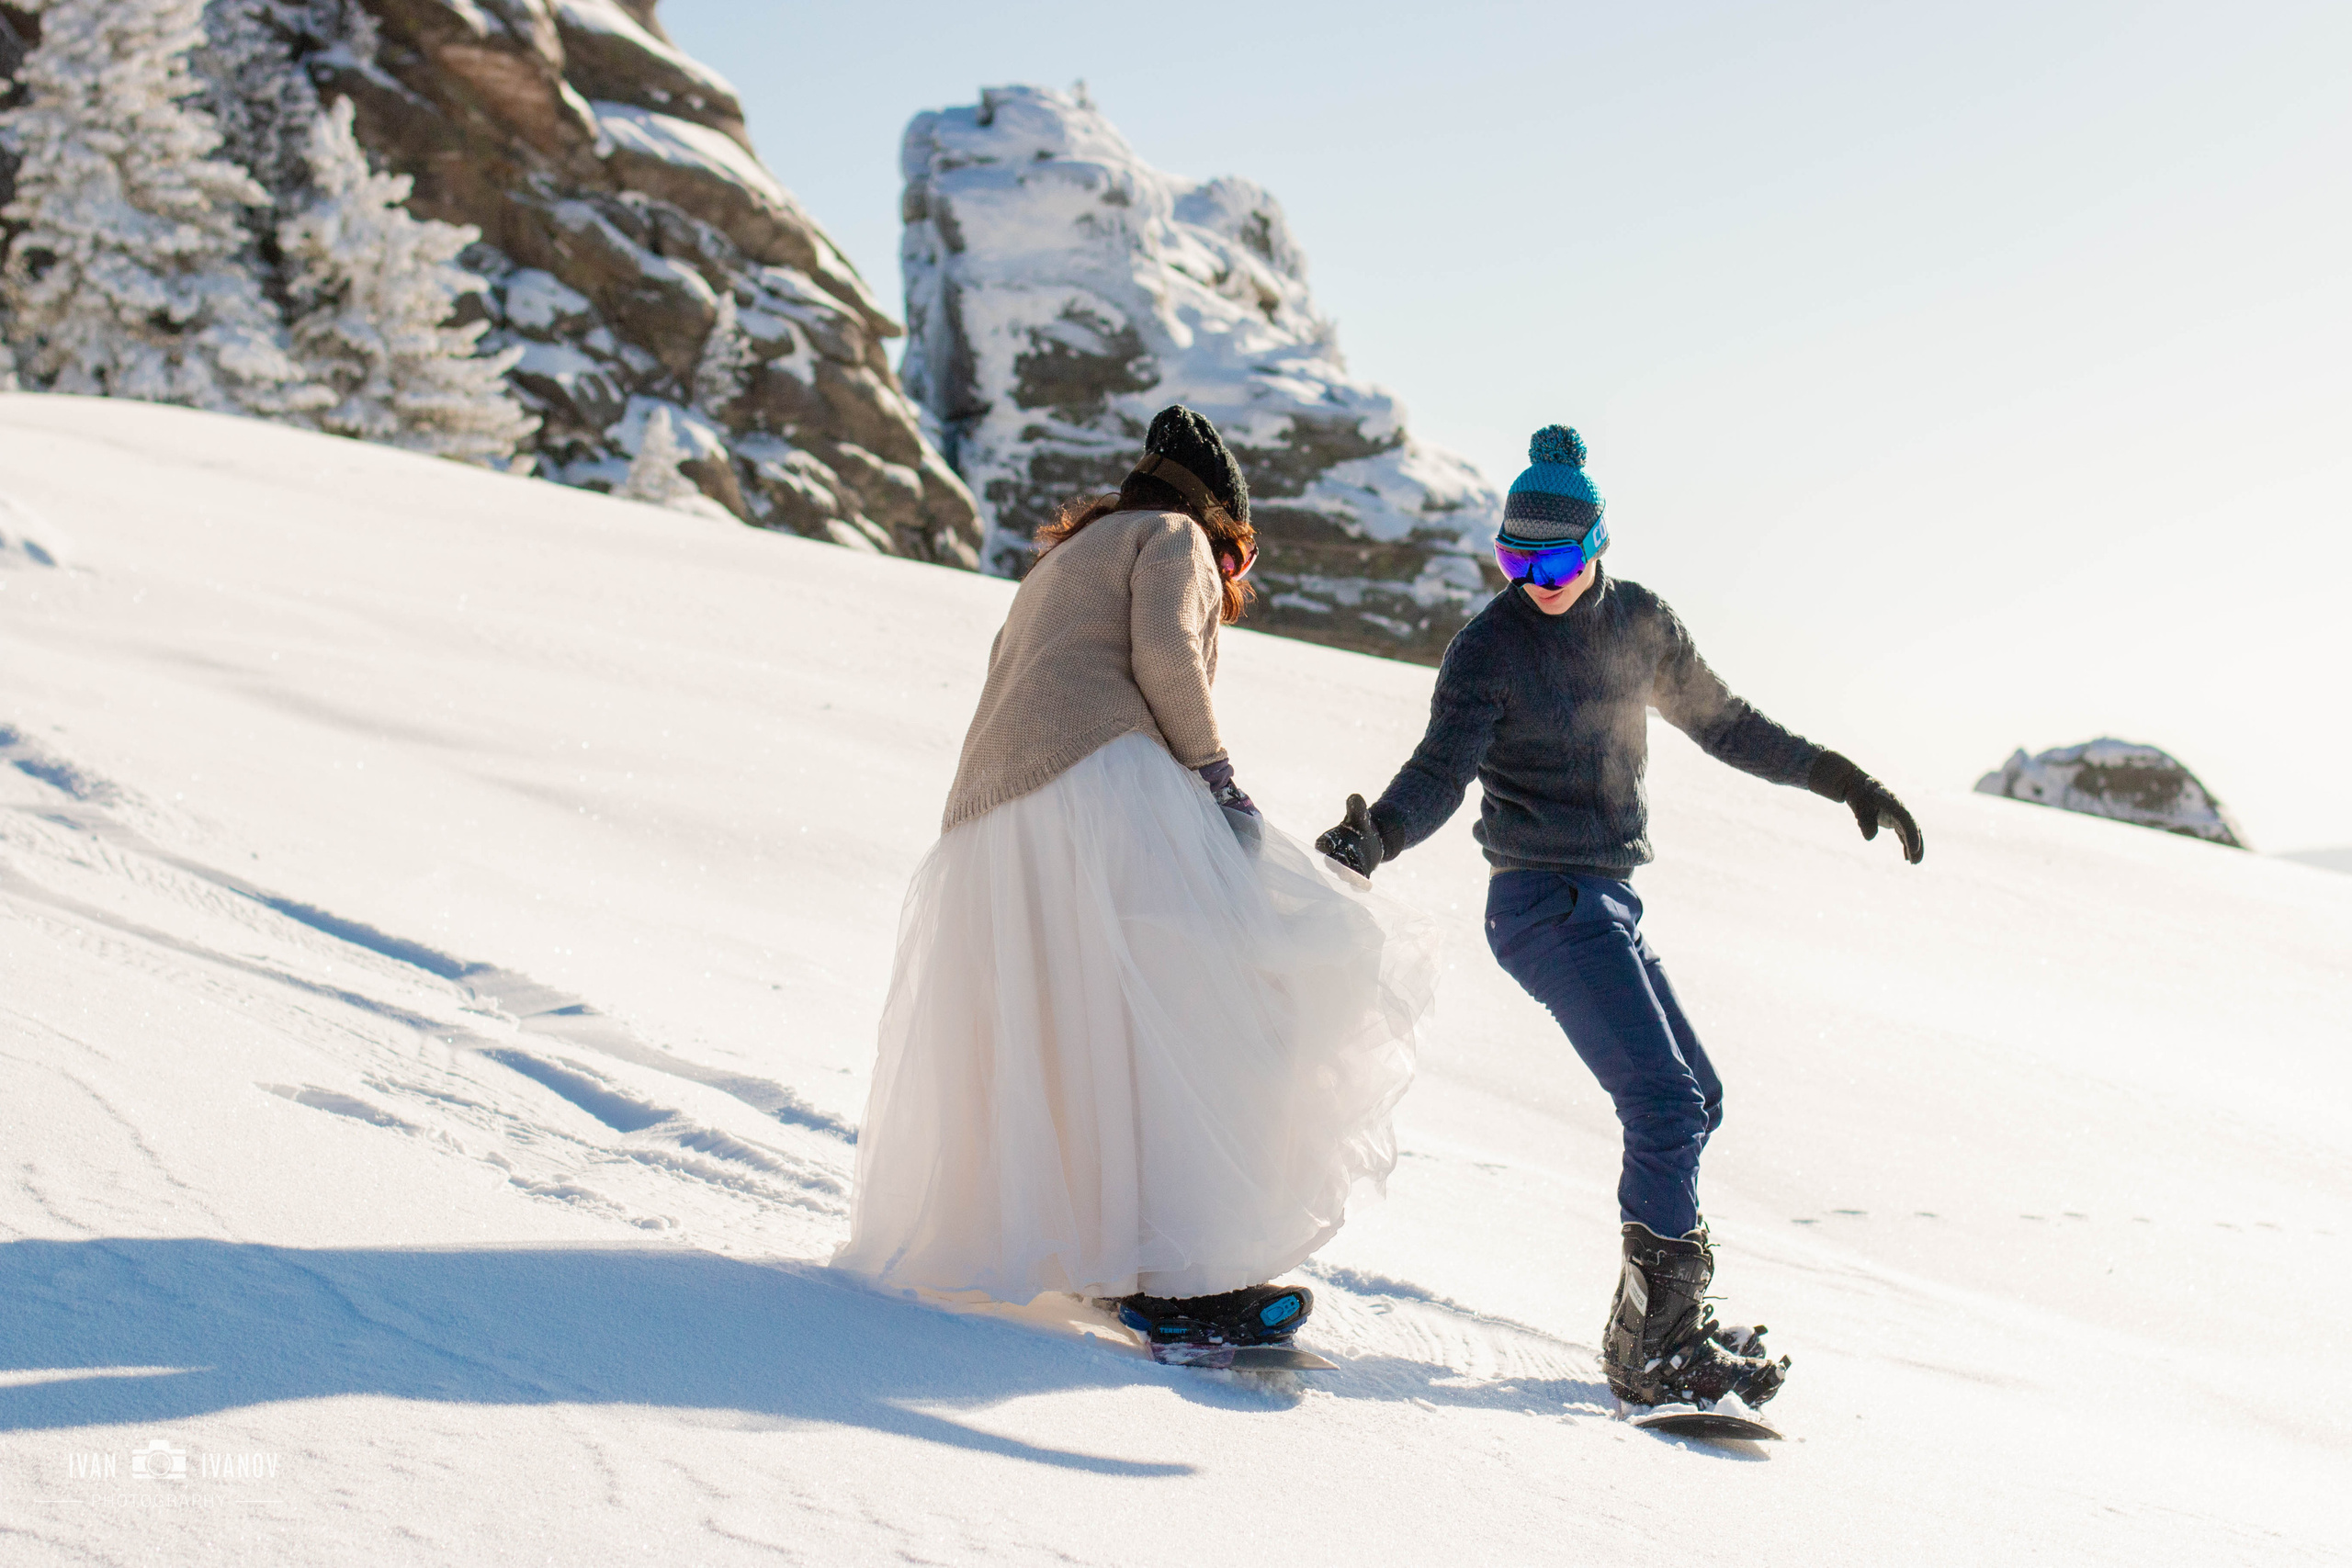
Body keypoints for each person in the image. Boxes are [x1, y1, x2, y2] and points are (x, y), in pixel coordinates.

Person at [1315, 424, 1922, 1409]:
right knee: (1666, 1106)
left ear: (1597, 542)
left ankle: (1649, 1322)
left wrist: (1839, 778)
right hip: (1539, 901)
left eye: (1552, 556)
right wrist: (1375, 837)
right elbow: (1439, 772)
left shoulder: (1640, 625)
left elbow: (1728, 724)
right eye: (1513, 556)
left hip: (1608, 899)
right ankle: (1656, 1345)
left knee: (1698, 1099)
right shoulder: (1489, 648)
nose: (1533, 577)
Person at [835, 405, 1435, 1357]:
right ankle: (1184, 1276)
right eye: (1236, 561)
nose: (1227, 576)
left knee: (1082, 1032)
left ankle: (1107, 1264)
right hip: (1100, 779)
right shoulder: (1173, 537)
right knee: (1202, 1001)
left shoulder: (1058, 563)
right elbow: (1163, 651)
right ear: (1220, 526)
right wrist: (1215, 777)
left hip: (989, 820)